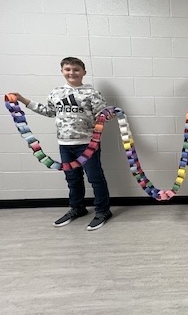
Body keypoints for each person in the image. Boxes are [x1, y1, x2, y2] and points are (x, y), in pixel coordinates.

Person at [11, 57, 112, 230]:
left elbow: (102, 114)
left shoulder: (91, 93)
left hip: (87, 144)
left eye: (76, 69)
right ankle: (77, 208)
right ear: (62, 72)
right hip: (65, 144)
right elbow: (48, 111)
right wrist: (22, 100)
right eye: (68, 69)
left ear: (83, 73)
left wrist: (108, 114)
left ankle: (103, 211)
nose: (72, 73)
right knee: (72, 179)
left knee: (95, 178)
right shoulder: (56, 92)